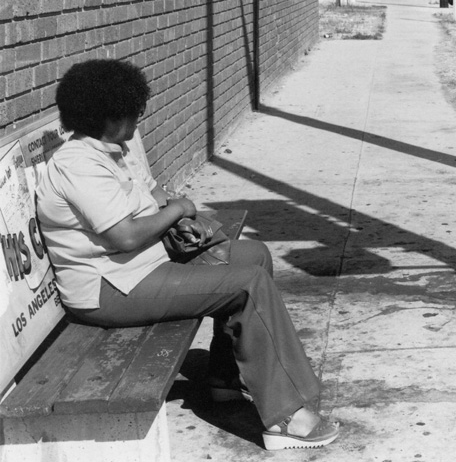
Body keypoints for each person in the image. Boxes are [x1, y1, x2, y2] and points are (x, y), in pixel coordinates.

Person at [35, 59, 339, 451]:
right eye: (136, 112)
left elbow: (146, 195)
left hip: (141, 268)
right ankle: (285, 418)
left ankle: (224, 378)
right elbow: (125, 236)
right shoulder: (78, 164)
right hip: (110, 289)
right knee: (247, 285)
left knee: (254, 256)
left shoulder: (111, 149)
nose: (139, 120)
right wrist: (178, 210)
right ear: (112, 115)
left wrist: (172, 206)